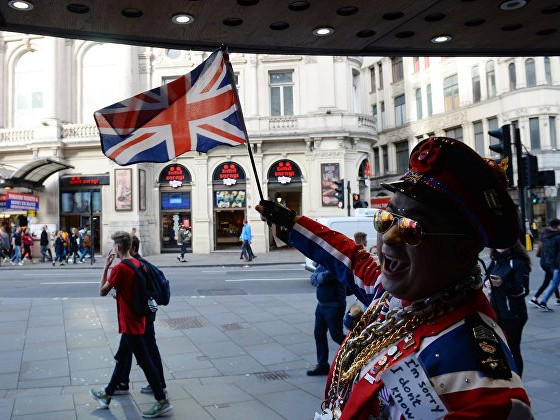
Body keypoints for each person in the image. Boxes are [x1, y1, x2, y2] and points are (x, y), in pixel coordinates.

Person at [257, 136, 532, 419]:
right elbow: (350, 258)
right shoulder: (394, 293)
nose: (388, 239)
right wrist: (291, 224)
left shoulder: (475, 373)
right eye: (386, 220)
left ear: (462, 252)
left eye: (413, 228)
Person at [90, 231, 172, 418]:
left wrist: (106, 268)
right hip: (139, 319)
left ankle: (162, 401)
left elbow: (102, 292)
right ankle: (108, 393)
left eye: (114, 246)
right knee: (122, 359)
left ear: (119, 247)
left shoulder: (120, 269)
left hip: (129, 322)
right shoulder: (138, 264)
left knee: (143, 361)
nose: (113, 250)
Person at [114, 235, 167, 395]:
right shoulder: (136, 264)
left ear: (133, 248)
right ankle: (121, 382)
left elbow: (144, 293)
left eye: (123, 246)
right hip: (139, 315)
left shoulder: (138, 265)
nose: (118, 249)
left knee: (144, 350)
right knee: (127, 350)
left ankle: (158, 387)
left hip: (139, 317)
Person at [486, 242, 531, 377]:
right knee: (499, 349)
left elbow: (523, 290)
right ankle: (505, 378)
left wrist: (502, 284)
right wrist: (487, 283)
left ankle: (517, 380)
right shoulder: (495, 261)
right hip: (496, 312)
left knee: (512, 349)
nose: (500, 245)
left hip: (513, 315)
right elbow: (485, 278)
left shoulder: (518, 263)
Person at [307, 264, 346, 376]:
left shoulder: (335, 263)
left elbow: (324, 277)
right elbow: (314, 279)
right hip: (321, 304)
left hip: (334, 305)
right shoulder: (323, 263)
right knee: (319, 334)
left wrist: (317, 277)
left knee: (336, 335)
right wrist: (318, 277)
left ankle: (358, 350)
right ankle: (322, 365)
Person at [529, 218, 560, 308]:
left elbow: (540, 247)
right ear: (557, 226)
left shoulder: (544, 234)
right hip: (554, 263)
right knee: (552, 282)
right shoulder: (557, 237)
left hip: (544, 262)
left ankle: (557, 299)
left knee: (551, 281)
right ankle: (539, 300)